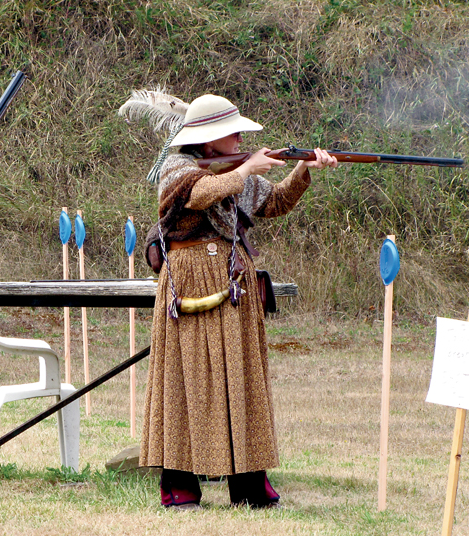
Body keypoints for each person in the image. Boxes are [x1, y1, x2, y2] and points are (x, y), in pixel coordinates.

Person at [139, 94, 337, 509]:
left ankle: (249, 485)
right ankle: (180, 486)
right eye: (234, 132)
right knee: (184, 383)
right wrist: (247, 168)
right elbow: (199, 194)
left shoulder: (235, 170)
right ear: (210, 141)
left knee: (241, 379)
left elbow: (276, 201)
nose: (241, 137)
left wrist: (304, 169)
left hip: (233, 282)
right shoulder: (178, 169)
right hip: (190, 283)